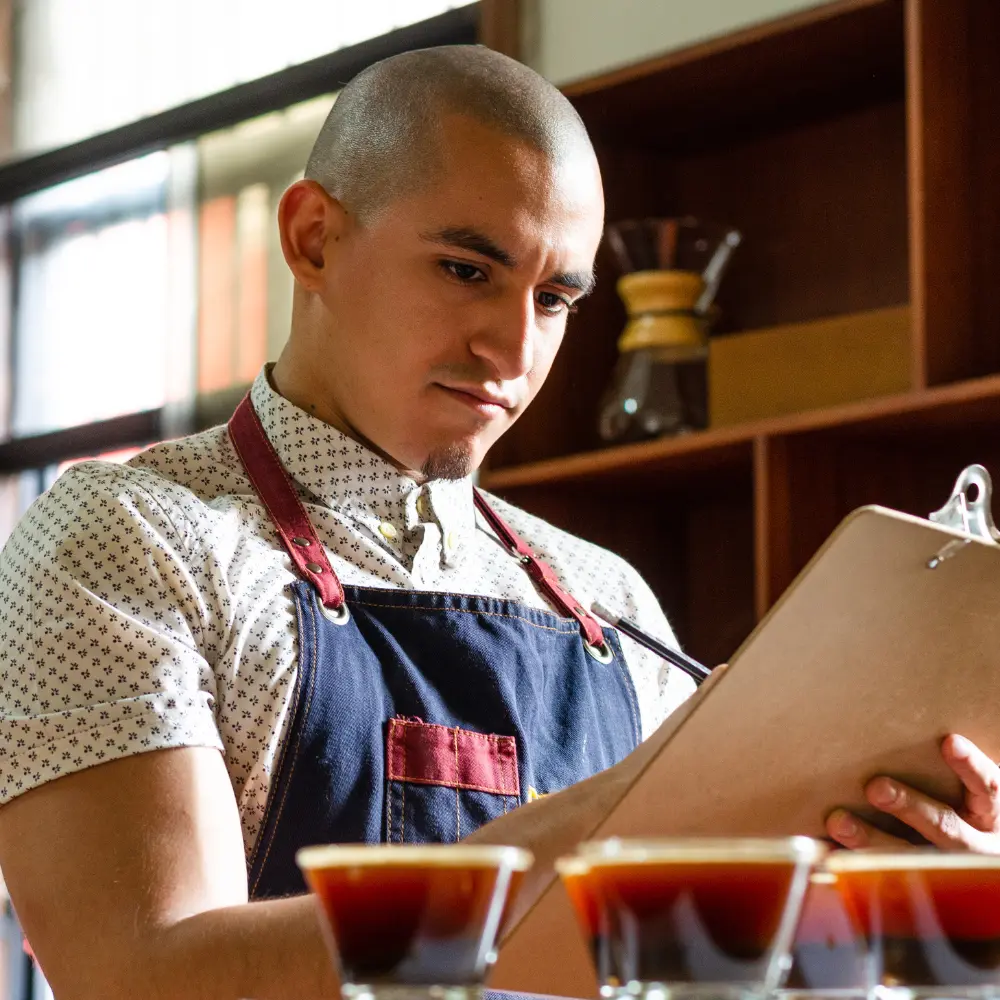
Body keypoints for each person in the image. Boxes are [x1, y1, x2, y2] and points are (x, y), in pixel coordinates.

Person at [0, 44, 997, 1000]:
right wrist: (615, 811)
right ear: (312, 237)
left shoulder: (607, 602)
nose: (512, 349)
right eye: (467, 270)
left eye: (555, 296)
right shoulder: (126, 538)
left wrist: (920, 902)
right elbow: (145, 980)